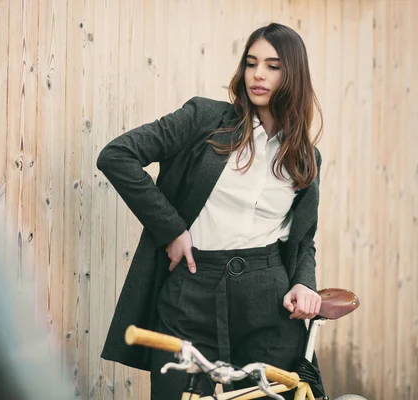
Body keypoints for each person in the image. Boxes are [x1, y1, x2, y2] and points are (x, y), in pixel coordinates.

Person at [96, 23, 323, 400]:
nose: (258, 75)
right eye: (251, 63)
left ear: (294, 75)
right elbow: (117, 155)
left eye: (273, 66)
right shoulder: (204, 118)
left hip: (267, 301)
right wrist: (170, 229)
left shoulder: (305, 157)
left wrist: (303, 282)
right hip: (191, 289)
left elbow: (303, 238)